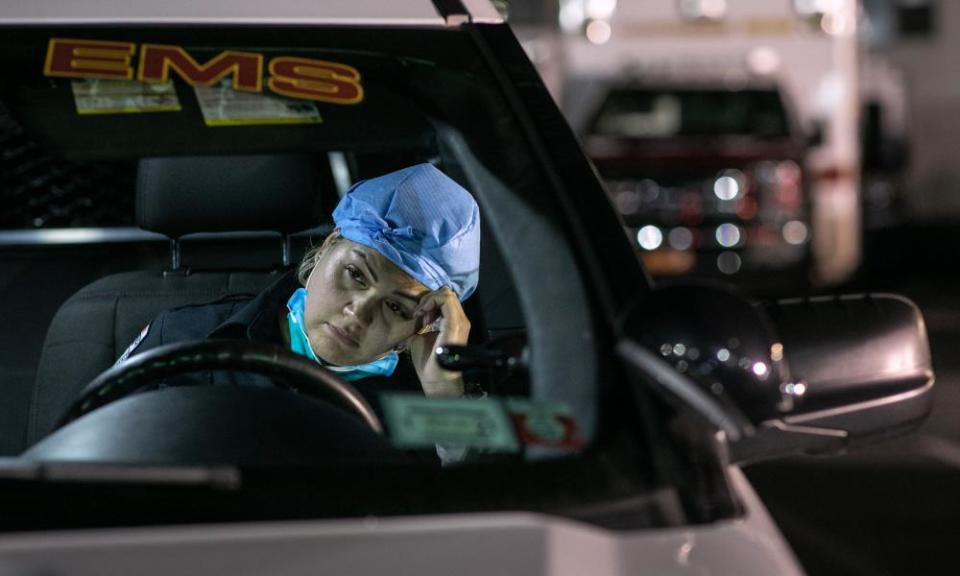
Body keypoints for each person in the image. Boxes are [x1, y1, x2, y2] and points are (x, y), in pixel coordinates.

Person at [116, 163, 481, 410]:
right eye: (355, 274)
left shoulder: (438, 395)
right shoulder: (181, 337)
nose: (359, 313)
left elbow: (480, 511)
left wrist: (445, 396)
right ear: (327, 246)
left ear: (420, 327)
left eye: (398, 307)